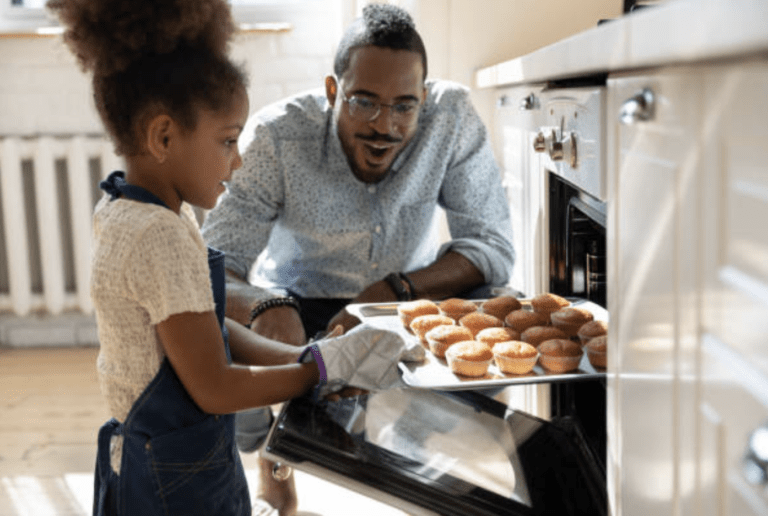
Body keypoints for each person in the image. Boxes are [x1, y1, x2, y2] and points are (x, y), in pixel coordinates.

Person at [47, 0, 406, 514]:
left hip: (170, 454)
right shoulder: (159, 236)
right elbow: (214, 386)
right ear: (164, 136)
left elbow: (203, 328)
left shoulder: (137, 207)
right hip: (174, 478)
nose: (238, 161)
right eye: (228, 141)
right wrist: (321, 370)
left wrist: (300, 358)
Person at [200, 3, 516, 515]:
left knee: (502, 304)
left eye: (404, 106)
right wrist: (266, 303)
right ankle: (274, 455)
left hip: (404, 302)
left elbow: (491, 246)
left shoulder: (451, 118)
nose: (384, 125)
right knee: (213, 331)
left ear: (425, 98)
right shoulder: (275, 138)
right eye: (364, 102)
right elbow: (213, 264)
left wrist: (393, 291)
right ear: (333, 92)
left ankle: (426, 462)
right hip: (296, 310)